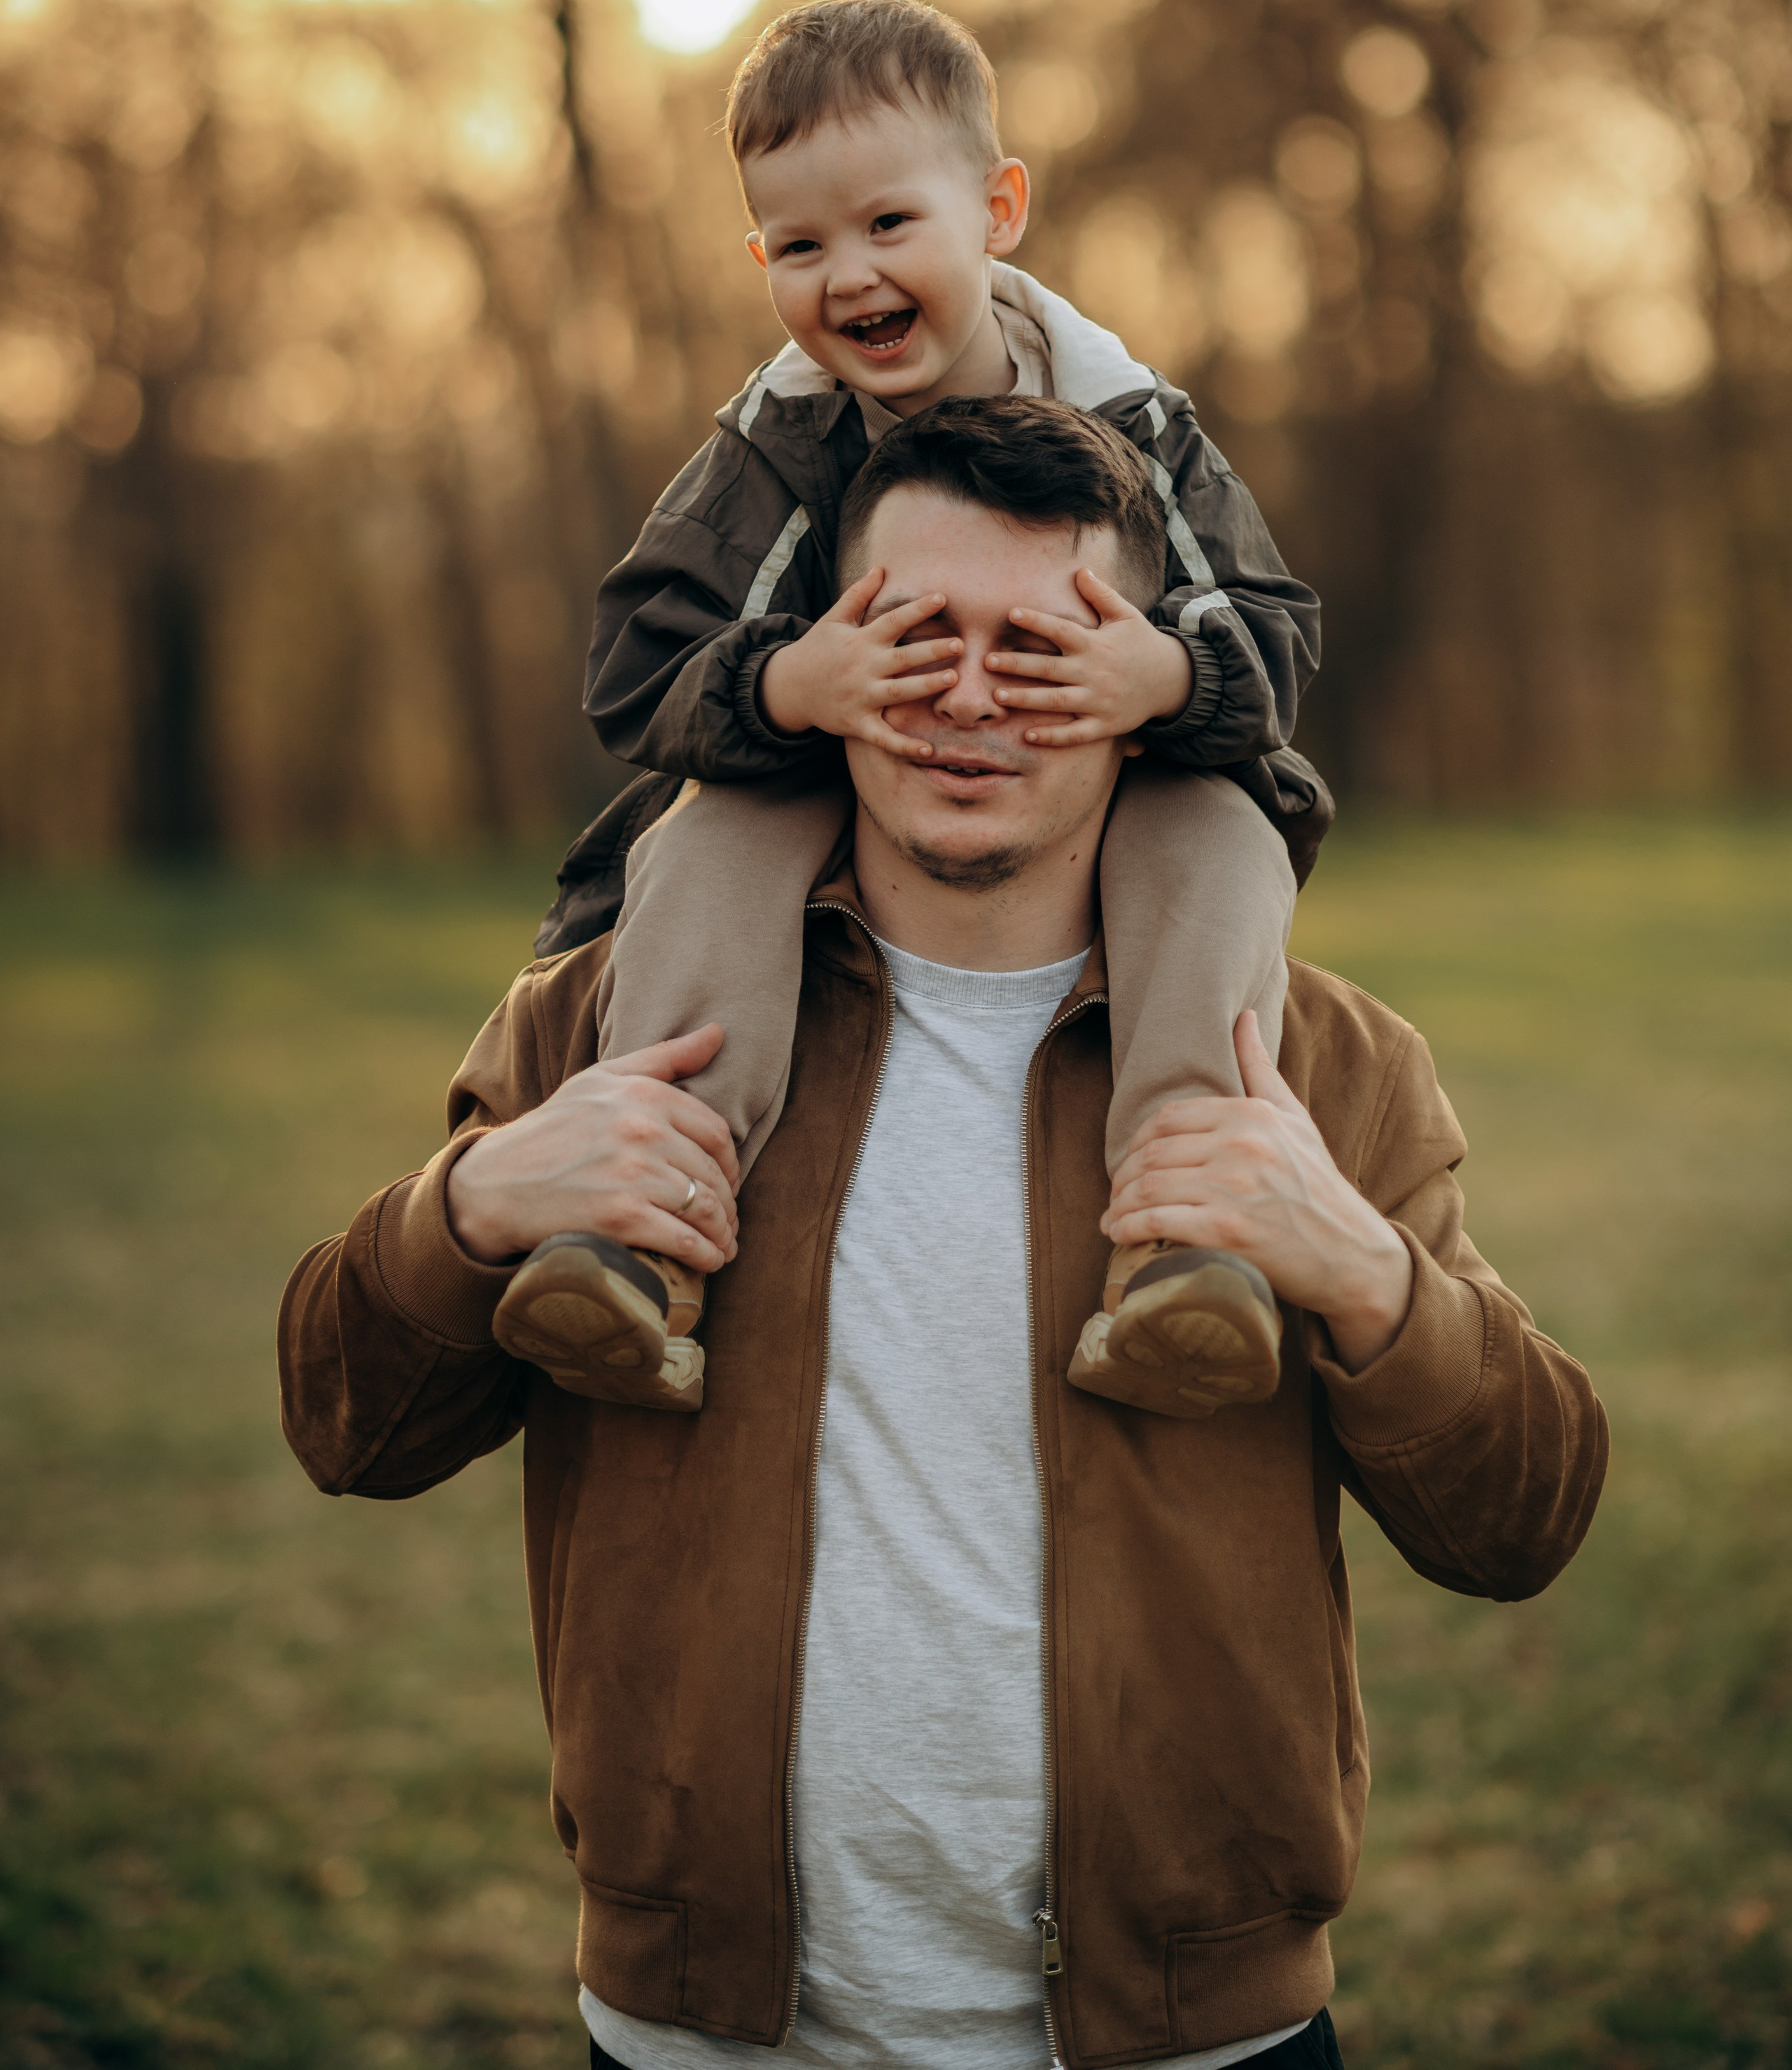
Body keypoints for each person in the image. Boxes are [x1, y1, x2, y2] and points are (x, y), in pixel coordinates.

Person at [278, 401, 1608, 2070]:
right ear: (822, 656)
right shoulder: (612, 1032)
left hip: (1184, 2038)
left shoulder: (1319, 1065)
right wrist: (470, 1208)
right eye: (911, 637)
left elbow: (1522, 1518)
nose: (968, 699)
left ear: (1145, 699)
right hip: (703, 2030)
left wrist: (1353, 1267)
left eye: (1040, 647)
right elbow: (347, 1423)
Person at [499, 0, 1329, 1421]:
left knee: (1221, 842)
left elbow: (1276, 632)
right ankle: (637, 1229)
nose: (849, 277)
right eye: (799, 245)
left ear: (997, 209)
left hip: (1112, 769)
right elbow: (637, 660)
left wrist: (1170, 671)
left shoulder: (1129, 418)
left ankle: (1187, 1242)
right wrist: (782, 680)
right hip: (836, 763)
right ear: (757, 254)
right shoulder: (779, 442)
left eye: (888, 224)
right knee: (704, 845)